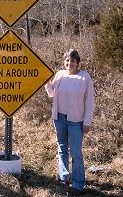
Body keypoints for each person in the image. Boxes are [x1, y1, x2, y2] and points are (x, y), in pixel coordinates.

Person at [45, 49, 94, 193]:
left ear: (77, 62)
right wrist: (46, 81)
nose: (69, 63)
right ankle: (63, 177)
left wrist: (87, 121)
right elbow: (52, 93)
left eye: (72, 61)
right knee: (61, 148)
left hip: (76, 120)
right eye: (67, 60)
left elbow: (90, 101)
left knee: (76, 152)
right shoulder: (60, 75)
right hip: (59, 118)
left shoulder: (85, 77)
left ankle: (78, 184)